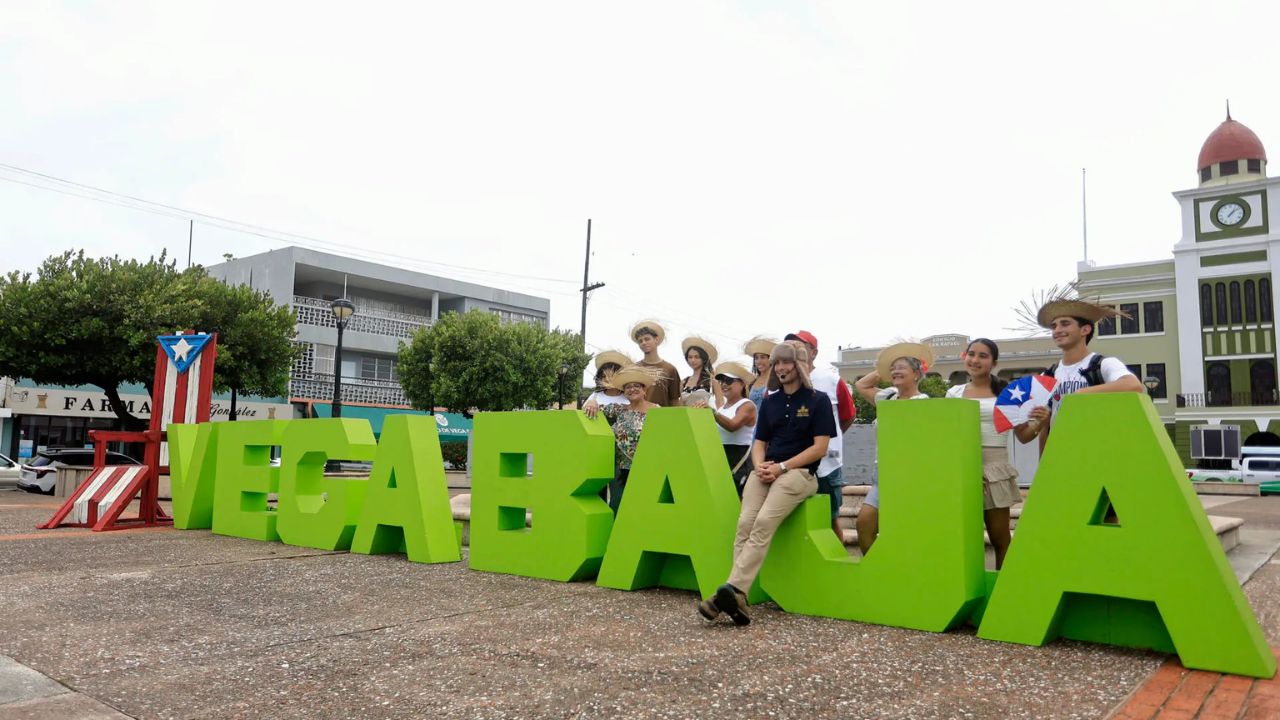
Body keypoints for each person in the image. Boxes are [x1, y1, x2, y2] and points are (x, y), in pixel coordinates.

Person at [697, 343, 834, 626]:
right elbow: (759, 442)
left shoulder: (817, 400)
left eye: (787, 362)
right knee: (744, 523)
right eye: (777, 363)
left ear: (800, 364)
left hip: (800, 473)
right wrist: (760, 465)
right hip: (767, 469)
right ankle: (737, 596)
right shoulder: (770, 401)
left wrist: (783, 466)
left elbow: (820, 448)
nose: (781, 368)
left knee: (762, 524)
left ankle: (730, 591)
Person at [1015, 298, 1143, 449]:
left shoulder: (1102, 364)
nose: (1057, 330)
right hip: (1060, 453)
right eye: (1054, 326)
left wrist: (1081, 393)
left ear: (1085, 330)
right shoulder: (1048, 375)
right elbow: (1026, 437)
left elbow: (1133, 385)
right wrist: (1033, 421)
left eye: (1065, 323)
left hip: (1097, 450)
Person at [852, 342, 934, 555]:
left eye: (901, 367)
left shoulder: (923, 403)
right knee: (864, 524)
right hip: (882, 474)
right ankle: (875, 569)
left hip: (909, 474)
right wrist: (884, 366)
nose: (895, 371)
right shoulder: (887, 397)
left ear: (917, 374)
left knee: (904, 531)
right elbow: (861, 385)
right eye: (893, 368)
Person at [945, 338, 1020, 569]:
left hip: (994, 469)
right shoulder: (954, 392)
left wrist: (1038, 420)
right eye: (972, 354)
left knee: (1000, 538)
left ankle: (1002, 591)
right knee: (963, 538)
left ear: (994, 363)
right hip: (961, 469)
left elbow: (1025, 435)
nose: (975, 360)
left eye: (983, 356)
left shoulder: (1007, 393)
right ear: (964, 356)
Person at [785, 330, 856, 541]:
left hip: (827, 463)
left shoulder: (832, 380)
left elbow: (848, 415)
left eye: (799, 346)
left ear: (813, 353)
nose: (794, 351)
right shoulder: (783, 382)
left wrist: (825, 440)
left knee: (830, 518)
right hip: (791, 461)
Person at [583, 365, 660, 514]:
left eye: (636, 386)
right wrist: (592, 402)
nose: (632, 389)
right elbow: (593, 408)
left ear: (645, 390)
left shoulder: (656, 410)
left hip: (645, 468)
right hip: (621, 470)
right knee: (618, 506)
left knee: (641, 507)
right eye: (628, 387)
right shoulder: (619, 409)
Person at [706, 361, 757, 495]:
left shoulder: (747, 405)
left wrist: (712, 413)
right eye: (722, 381)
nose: (724, 384)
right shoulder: (722, 407)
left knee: (736, 497)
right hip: (722, 454)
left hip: (739, 455)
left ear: (742, 384)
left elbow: (733, 426)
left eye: (729, 381)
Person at [631, 320, 682, 407]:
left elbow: (675, 401)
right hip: (638, 417)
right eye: (640, 341)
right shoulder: (634, 369)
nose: (643, 343)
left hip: (662, 417)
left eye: (647, 339)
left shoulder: (670, 369)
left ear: (656, 339)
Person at [680, 336, 721, 408]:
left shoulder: (712, 380)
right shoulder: (683, 382)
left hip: (706, 417)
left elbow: (720, 403)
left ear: (703, 358)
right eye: (690, 357)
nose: (693, 360)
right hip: (687, 418)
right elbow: (680, 406)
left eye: (696, 357)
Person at [744, 336, 777, 409]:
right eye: (756, 358)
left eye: (763, 357)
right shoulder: (751, 383)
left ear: (770, 359)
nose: (759, 361)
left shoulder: (777, 380)